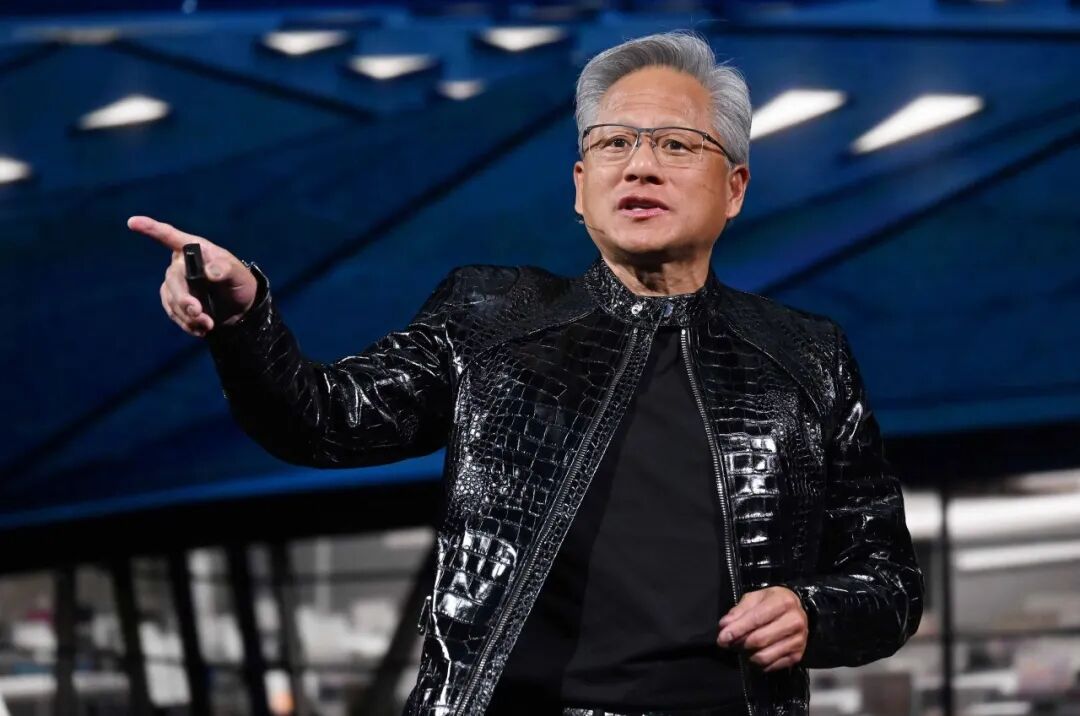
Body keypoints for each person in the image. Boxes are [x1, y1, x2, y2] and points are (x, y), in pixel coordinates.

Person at [131, 30, 923, 716]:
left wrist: (813, 611)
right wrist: (245, 315)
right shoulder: (490, 316)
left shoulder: (806, 356)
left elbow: (889, 580)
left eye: (676, 145)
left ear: (735, 188)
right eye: (614, 143)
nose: (640, 166)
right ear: (580, 188)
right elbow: (322, 419)